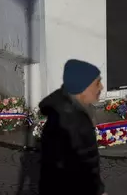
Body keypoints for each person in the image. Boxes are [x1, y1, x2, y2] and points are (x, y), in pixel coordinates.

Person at [38, 59, 107, 195]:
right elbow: (84, 168)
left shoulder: (66, 111)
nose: (101, 87)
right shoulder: (73, 120)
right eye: (97, 83)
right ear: (82, 88)